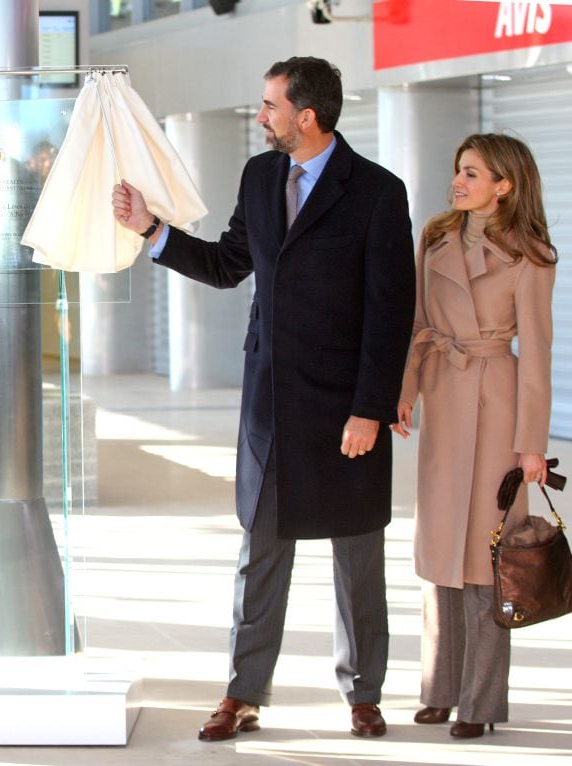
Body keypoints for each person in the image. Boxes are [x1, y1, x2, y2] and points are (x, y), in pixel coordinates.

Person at [112, 56, 415, 739]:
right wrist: (150, 230)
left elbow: (390, 310)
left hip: (346, 411)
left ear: (306, 116)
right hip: (272, 405)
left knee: (357, 560)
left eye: (271, 105)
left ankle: (363, 693)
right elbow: (227, 265)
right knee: (260, 555)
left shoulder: (375, 192)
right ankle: (243, 692)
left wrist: (371, 407)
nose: (262, 116)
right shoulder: (259, 175)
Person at [393, 134, 557, 738]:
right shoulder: (435, 238)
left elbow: (537, 352)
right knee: (440, 548)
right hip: (443, 391)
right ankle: (439, 688)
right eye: (457, 170)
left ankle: (480, 702)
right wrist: (405, 390)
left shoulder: (531, 255)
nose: (458, 182)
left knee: (491, 556)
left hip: (498, 399)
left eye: (471, 173)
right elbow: (416, 323)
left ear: (503, 185)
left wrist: (531, 443)